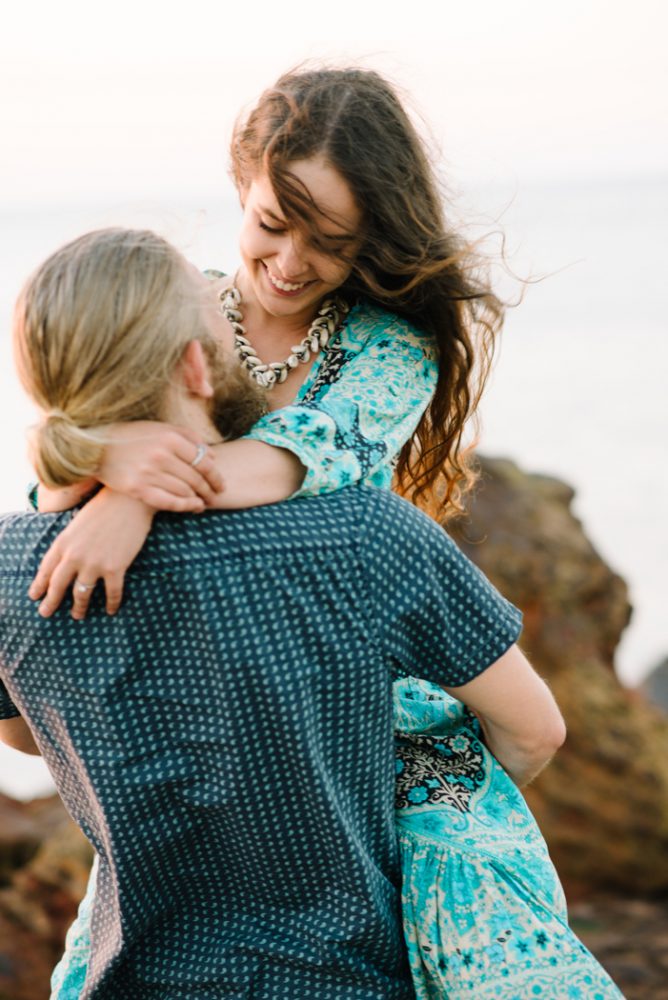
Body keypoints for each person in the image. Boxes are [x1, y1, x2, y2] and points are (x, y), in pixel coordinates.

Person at [21, 69, 623, 997]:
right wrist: (103, 464)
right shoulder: (184, 307)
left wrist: (129, 489)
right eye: (272, 222)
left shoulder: (387, 347)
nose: (293, 261)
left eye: (332, 242)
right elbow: (76, 421)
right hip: (215, 701)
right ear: (240, 187)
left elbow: (294, 461)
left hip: (379, 718)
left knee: (475, 938)